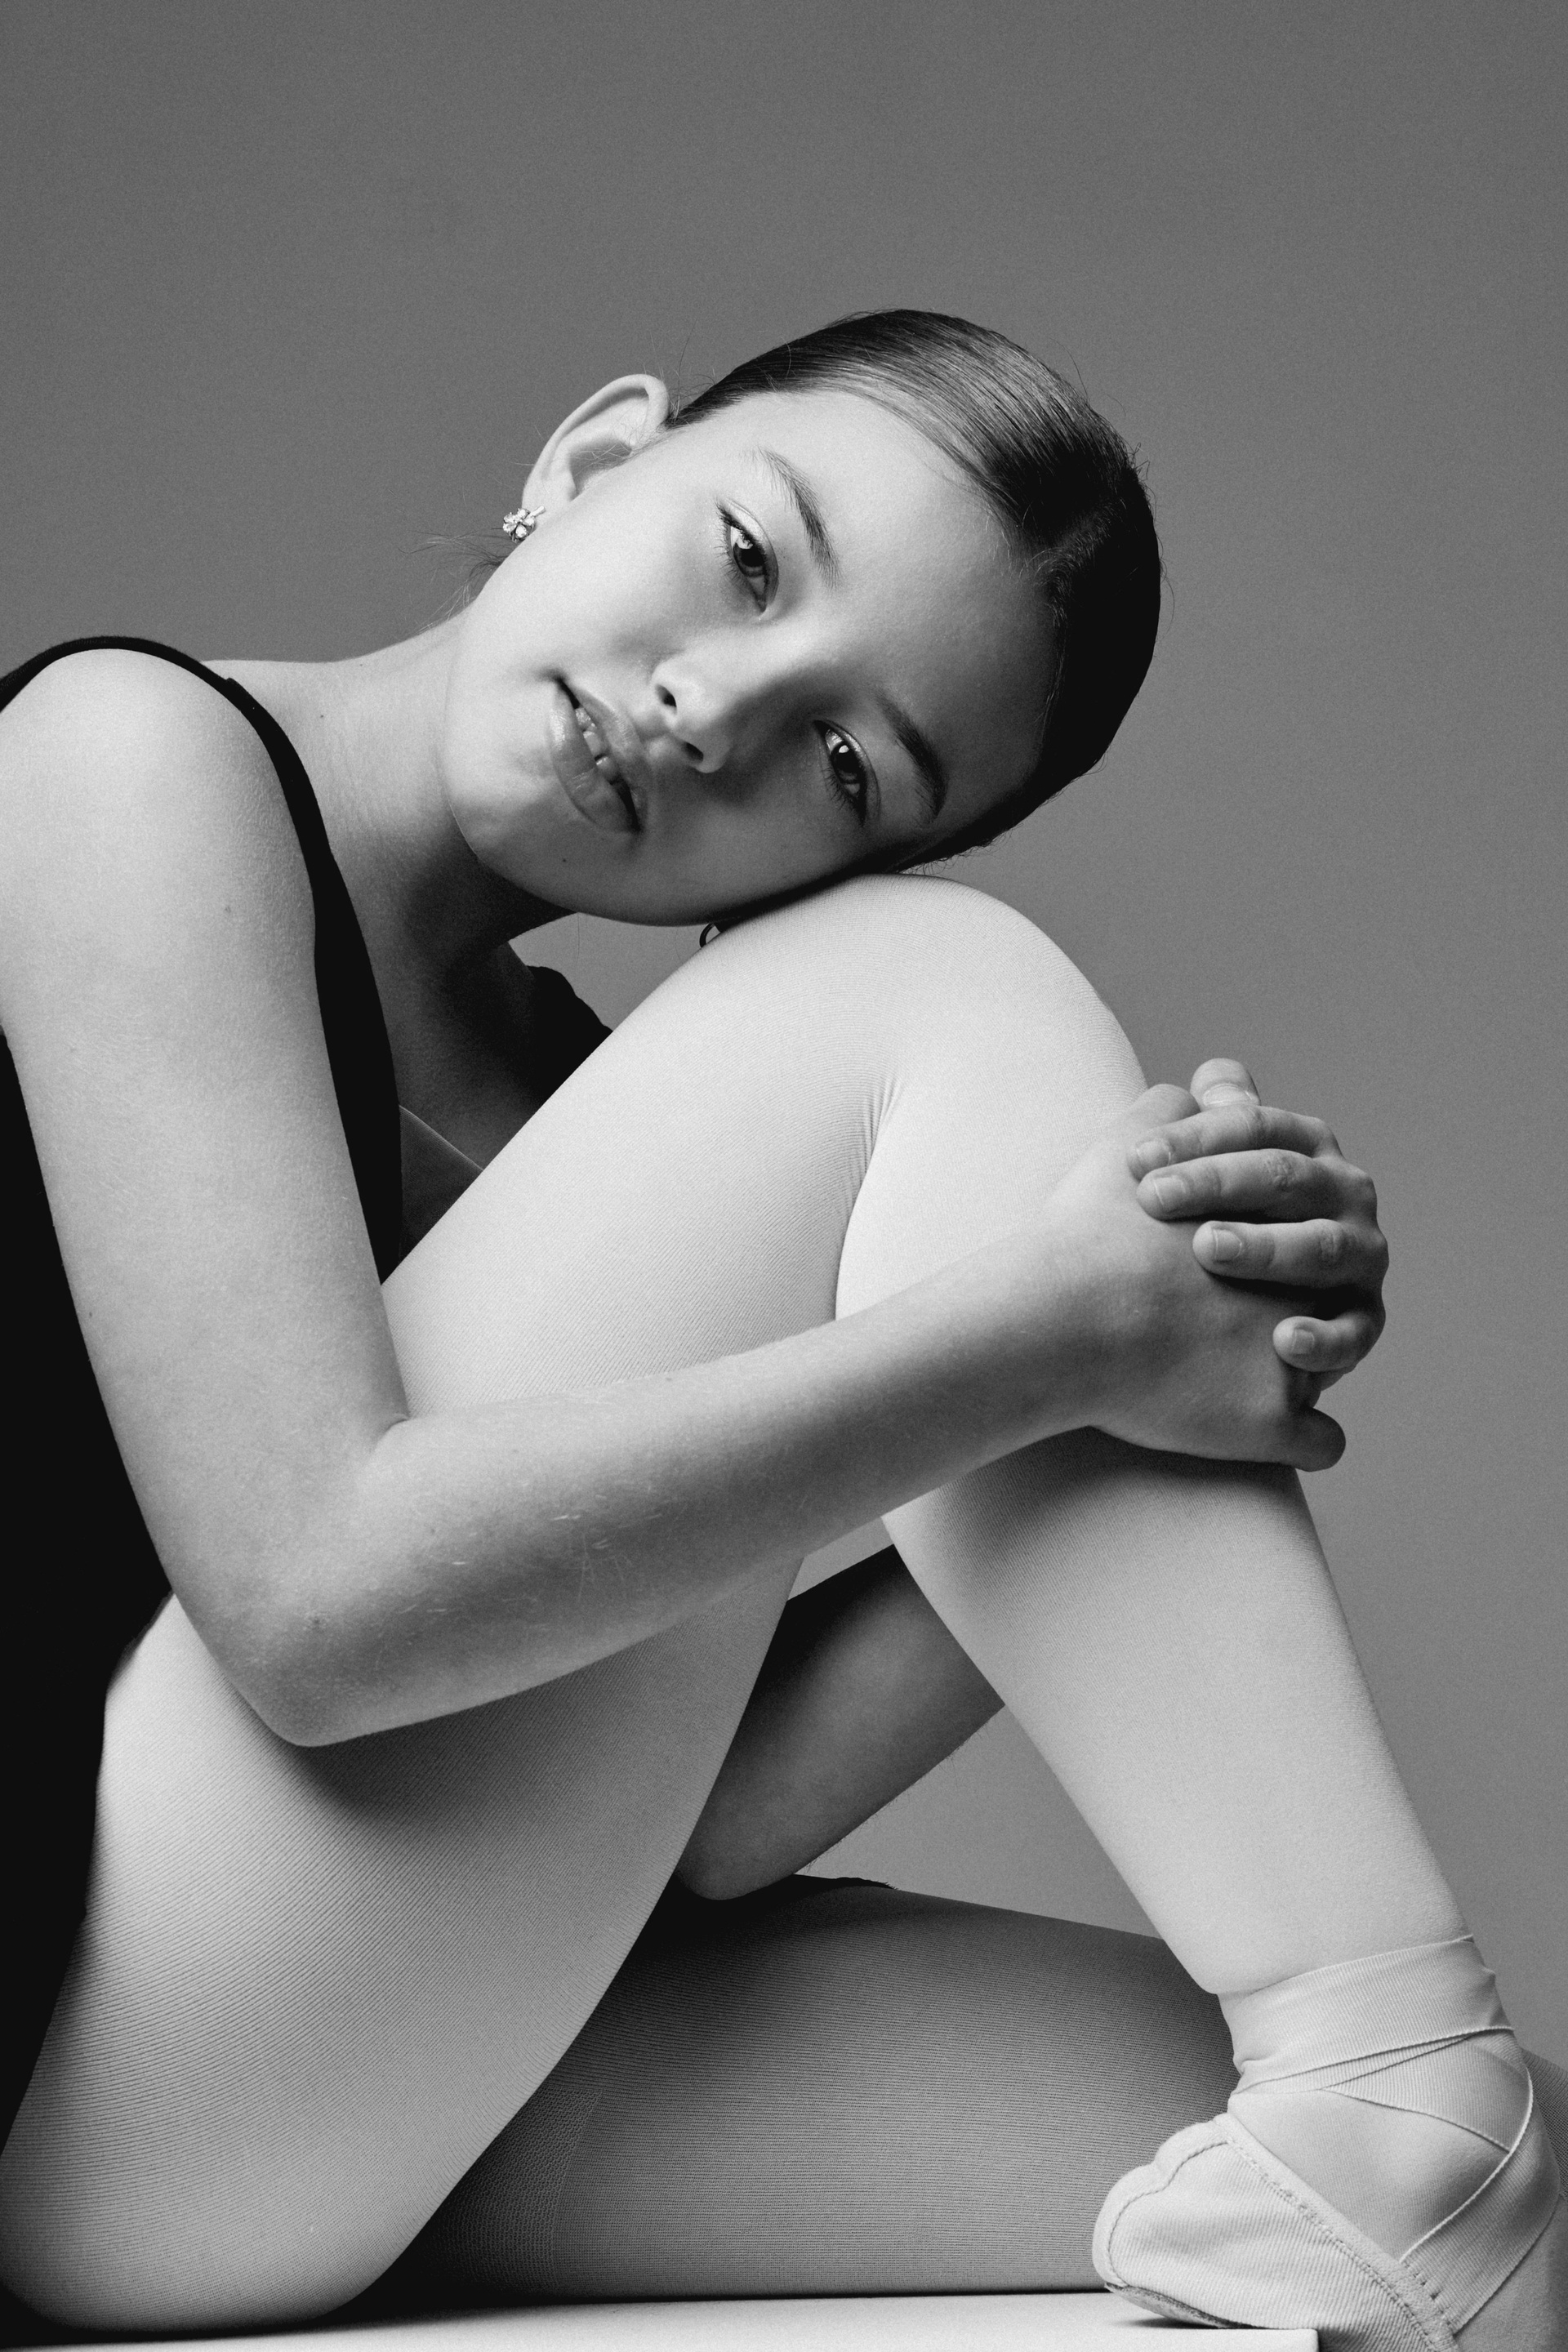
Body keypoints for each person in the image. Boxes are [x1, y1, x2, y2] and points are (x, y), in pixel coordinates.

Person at [0, 311, 1557, 2351]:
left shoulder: (580, 1122)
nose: (710, 711)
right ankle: (1383, 2045)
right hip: (87, 2072)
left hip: (376, 2069)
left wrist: (1156, 1400)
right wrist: (1035, 1340)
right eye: (749, 557)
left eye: (844, 766)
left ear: (825, 866)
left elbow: (706, 1832)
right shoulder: (124, 757)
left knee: (1514, 2188)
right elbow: (313, 1603)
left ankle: (1397, 2086)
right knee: (944, 985)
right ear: (593, 456)